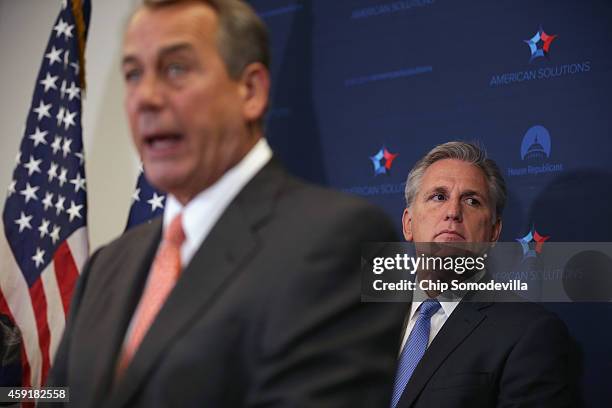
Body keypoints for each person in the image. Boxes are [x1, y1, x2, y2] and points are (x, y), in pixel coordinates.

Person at [46, 1, 403, 406]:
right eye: (133, 74)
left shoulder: (339, 243)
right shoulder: (106, 266)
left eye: (176, 69)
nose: (146, 97)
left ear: (250, 91)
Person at [390, 141, 576, 408]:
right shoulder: (365, 319)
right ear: (408, 223)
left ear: (493, 233)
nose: (453, 212)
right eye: (438, 197)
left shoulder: (529, 333)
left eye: (472, 200)